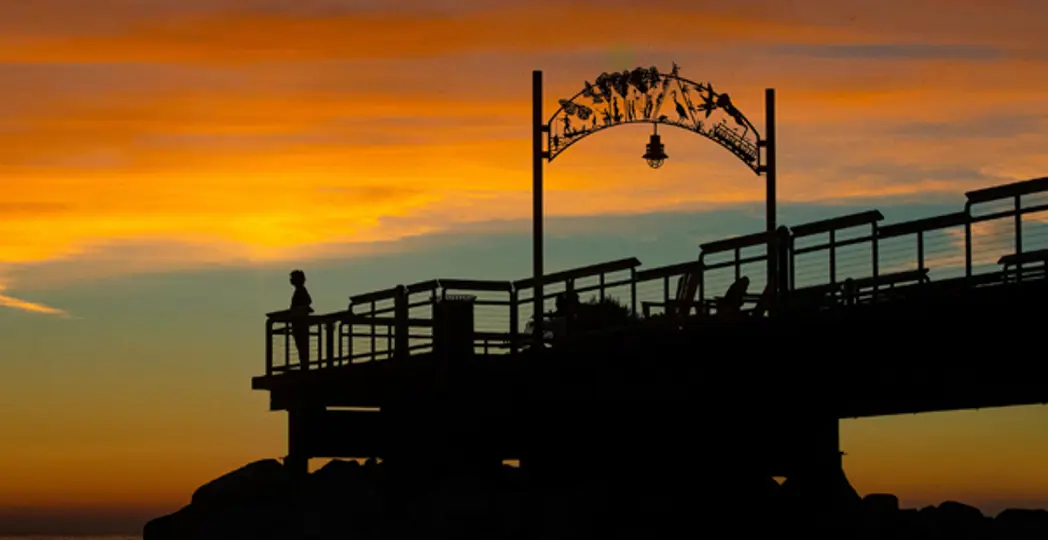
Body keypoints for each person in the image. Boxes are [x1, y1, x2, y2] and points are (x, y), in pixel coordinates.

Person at [288, 269, 314, 366]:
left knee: (302, 345)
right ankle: (303, 364)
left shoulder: (301, 290)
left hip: (300, 323)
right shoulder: (299, 290)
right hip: (298, 323)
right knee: (301, 346)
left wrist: (299, 309)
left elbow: (308, 301)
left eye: (293, 278)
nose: (291, 280)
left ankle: (304, 365)